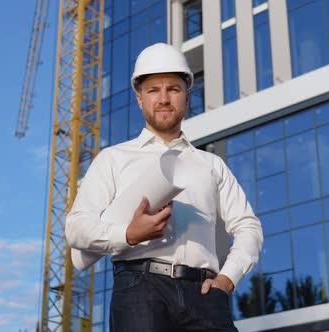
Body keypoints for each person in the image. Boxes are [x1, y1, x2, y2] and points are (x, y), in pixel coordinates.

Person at [66, 43, 263, 331]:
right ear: (139, 99)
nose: (163, 98)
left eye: (173, 89)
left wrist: (226, 279)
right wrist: (128, 234)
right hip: (139, 290)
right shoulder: (113, 158)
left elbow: (248, 227)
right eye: (153, 90)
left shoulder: (211, 164)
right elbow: (77, 227)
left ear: (186, 96)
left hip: (206, 294)